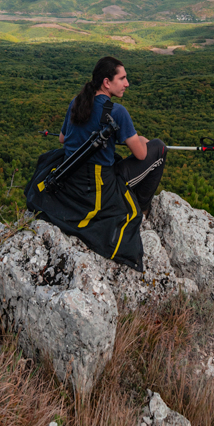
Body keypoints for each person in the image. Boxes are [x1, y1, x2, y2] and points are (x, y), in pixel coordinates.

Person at [25, 56, 167, 270]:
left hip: (72, 179)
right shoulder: (117, 111)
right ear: (107, 82)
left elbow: (63, 139)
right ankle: (143, 207)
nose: (127, 83)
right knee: (159, 148)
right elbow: (141, 154)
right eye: (123, 78)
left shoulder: (77, 101)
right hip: (99, 184)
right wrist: (141, 141)